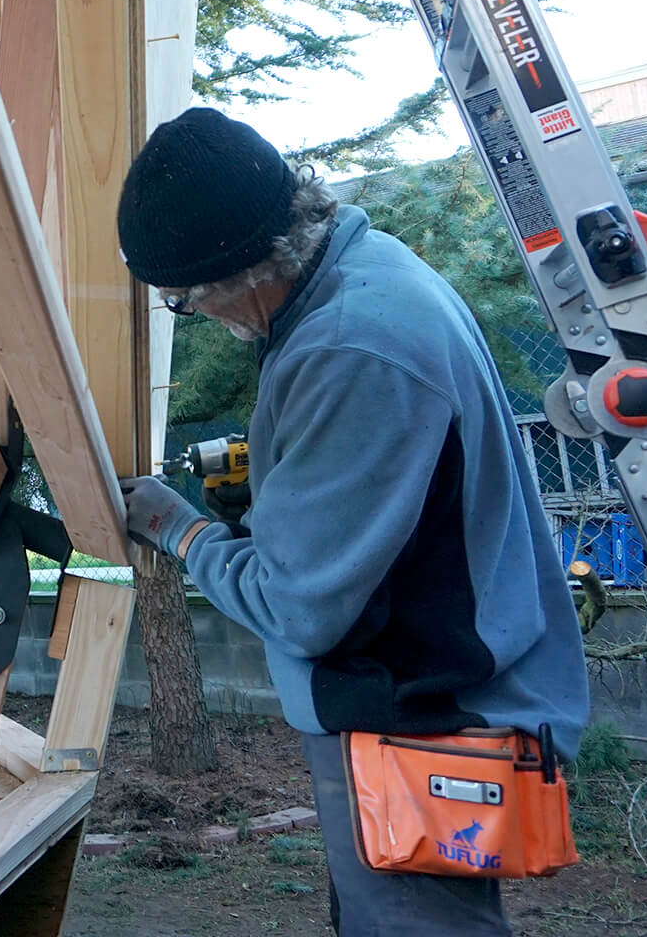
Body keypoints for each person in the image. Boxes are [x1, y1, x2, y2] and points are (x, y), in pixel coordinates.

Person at [114, 107, 589, 937]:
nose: (195, 317)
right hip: (424, 706)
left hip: (423, 718)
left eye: (182, 301)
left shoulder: (348, 347)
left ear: (242, 271)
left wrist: (181, 530)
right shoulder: (365, 270)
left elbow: (300, 606)